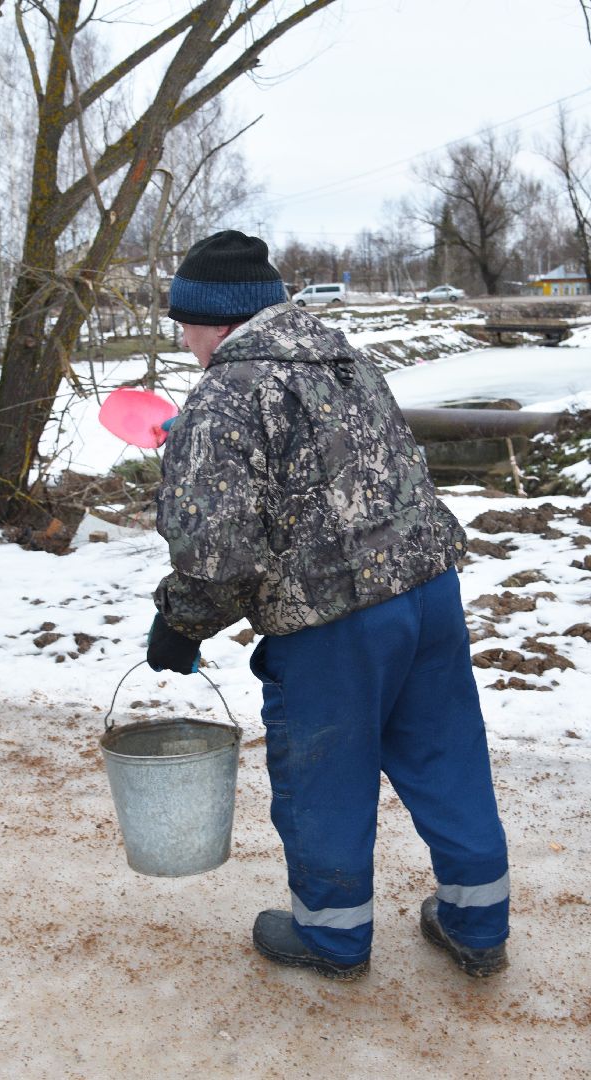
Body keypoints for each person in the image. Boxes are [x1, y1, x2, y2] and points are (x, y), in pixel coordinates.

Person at [145, 230, 511, 981]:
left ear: (214, 320)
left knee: (326, 778)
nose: (183, 340)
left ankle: (331, 937)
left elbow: (221, 555)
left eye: (183, 323)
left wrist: (180, 623)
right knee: (448, 758)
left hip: (334, 621)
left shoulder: (227, 392)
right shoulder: (344, 358)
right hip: (427, 592)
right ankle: (478, 925)